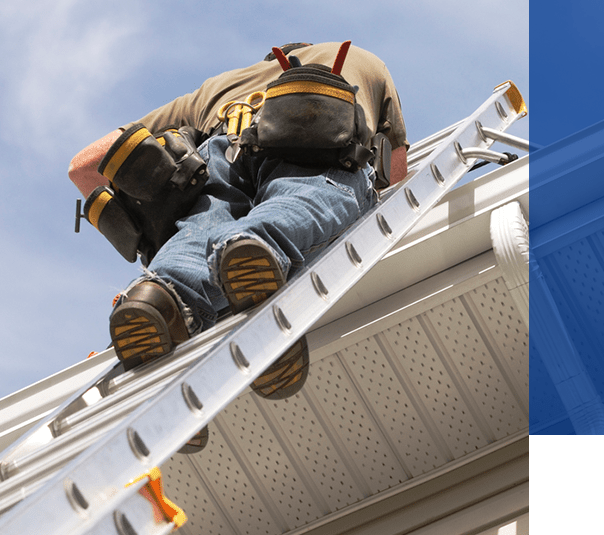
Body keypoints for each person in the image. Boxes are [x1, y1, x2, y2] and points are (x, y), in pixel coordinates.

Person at [69, 41, 408, 401]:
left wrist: (141, 227)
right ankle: (256, 248)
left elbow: (85, 165)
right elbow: (398, 179)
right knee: (306, 197)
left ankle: (157, 296)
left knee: (200, 230)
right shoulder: (363, 61)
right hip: (317, 127)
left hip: (220, 149)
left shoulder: (216, 87)